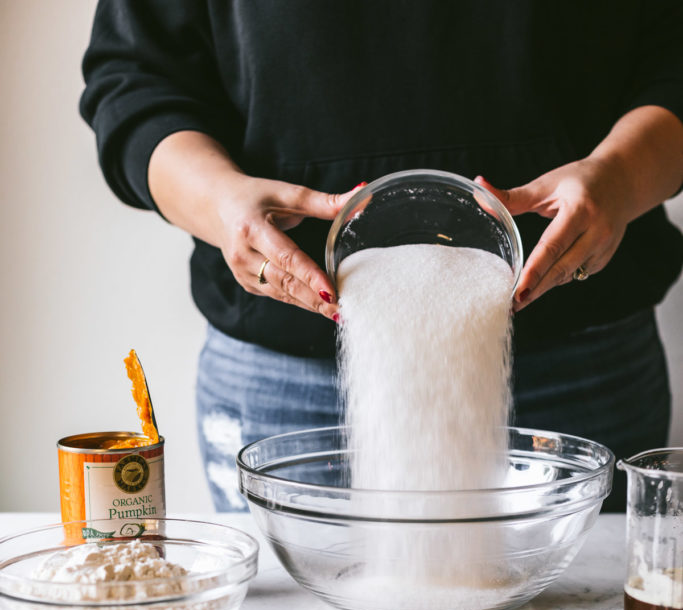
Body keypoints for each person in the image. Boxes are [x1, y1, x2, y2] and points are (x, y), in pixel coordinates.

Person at [80, 1, 683, 512]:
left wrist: (621, 178)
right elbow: (137, 77)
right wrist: (218, 201)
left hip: (580, 363)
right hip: (287, 380)